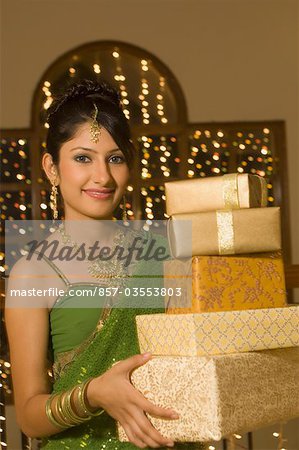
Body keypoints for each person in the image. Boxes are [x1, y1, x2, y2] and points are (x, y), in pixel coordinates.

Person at [5, 80, 205, 450]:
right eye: (83, 158)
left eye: (115, 158)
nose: (103, 176)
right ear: (51, 167)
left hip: (168, 440)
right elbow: (29, 416)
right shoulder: (33, 272)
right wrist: (93, 393)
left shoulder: (165, 254)